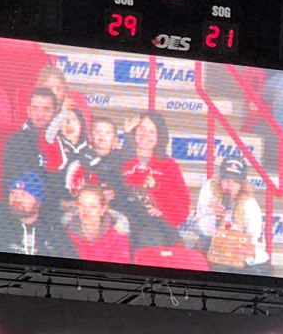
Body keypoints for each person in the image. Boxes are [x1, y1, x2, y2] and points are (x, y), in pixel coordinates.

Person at [118, 111, 191, 251]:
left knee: (150, 237)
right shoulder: (121, 158)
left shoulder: (169, 165)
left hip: (155, 225)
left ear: (159, 136)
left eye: (152, 131)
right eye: (142, 129)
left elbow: (183, 205)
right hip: (125, 219)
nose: (145, 134)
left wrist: (162, 209)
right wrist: (127, 135)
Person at [191, 155, 270, 272]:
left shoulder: (250, 204)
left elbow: (257, 242)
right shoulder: (209, 190)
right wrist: (213, 219)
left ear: (242, 184)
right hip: (212, 246)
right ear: (220, 179)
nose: (230, 185)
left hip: (239, 253)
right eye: (227, 180)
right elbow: (196, 227)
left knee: (258, 271)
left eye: (235, 181)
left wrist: (248, 251)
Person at [0, 172, 75, 258]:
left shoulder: (54, 230)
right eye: (13, 193)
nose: (16, 199)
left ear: (38, 201)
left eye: (23, 194)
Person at [0, 88, 66, 216]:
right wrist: (59, 203)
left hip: (64, 203)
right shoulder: (17, 142)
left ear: (55, 112)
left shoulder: (63, 140)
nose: (40, 114)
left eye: (46, 109)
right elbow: (24, 186)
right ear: (28, 111)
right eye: (36, 108)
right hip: (35, 209)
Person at [63, 184, 131, 265]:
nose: (86, 210)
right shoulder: (66, 235)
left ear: (103, 209)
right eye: (82, 205)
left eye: (93, 206)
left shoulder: (118, 235)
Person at [84, 116, 127, 203]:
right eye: (97, 131)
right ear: (90, 136)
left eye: (107, 133)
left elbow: (124, 190)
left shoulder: (121, 160)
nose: (102, 136)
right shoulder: (84, 158)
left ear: (115, 139)